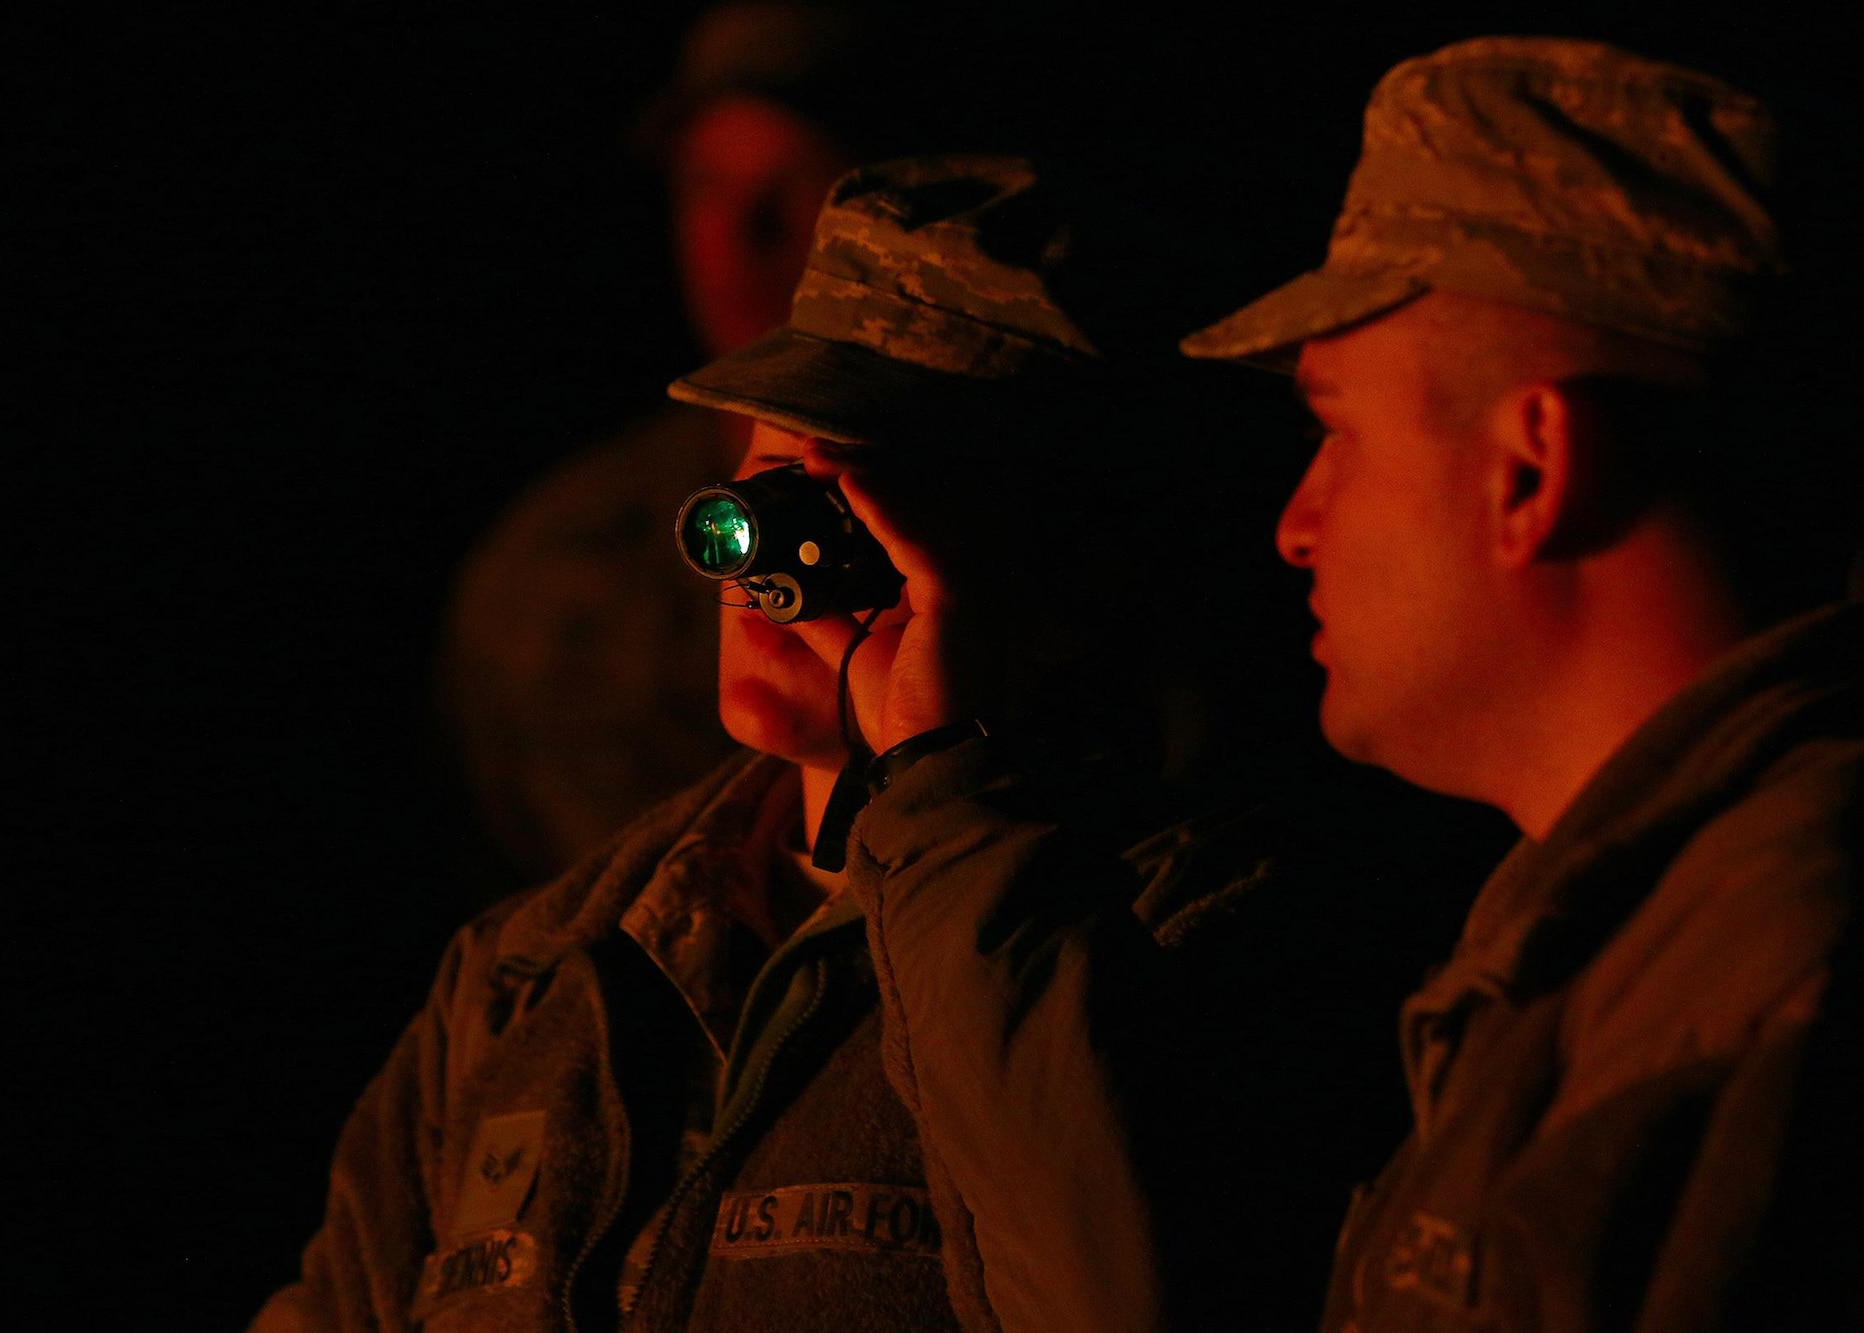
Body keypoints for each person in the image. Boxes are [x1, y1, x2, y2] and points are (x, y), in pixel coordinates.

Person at [264, 154, 1420, 1333]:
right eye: (769, 487)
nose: (769, 571)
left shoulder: (1206, 943)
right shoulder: (538, 975)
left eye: (855, 512)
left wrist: (940, 785)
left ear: (1072, 577)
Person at [1171, 37, 1861, 1329]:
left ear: (1529, 470)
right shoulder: (1611, 954)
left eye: (1337, 429)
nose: (1296, 523)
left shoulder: (1766, 990)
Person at [438, 1, 864, 887]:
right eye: (706, 185)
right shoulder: (569, 559)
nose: (742, 235)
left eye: (799, 182)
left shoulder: (1006, 528)